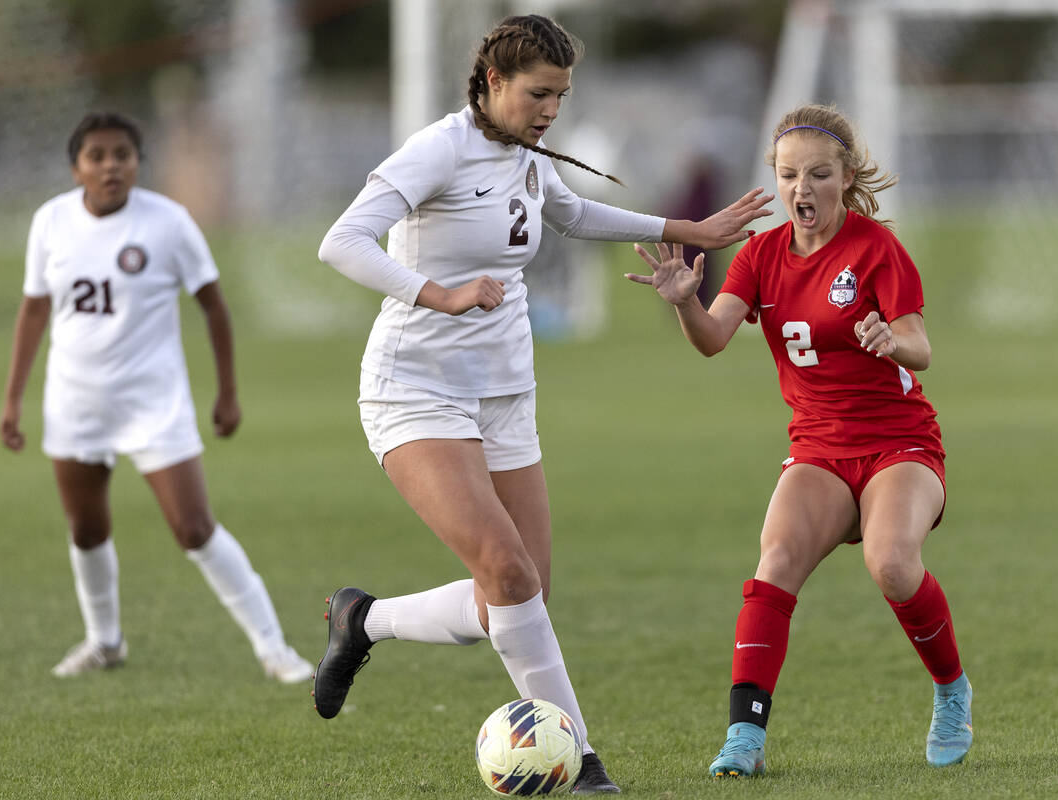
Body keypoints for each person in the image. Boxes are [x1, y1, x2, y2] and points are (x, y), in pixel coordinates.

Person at [314, 14, 772, 795]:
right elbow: (343, 242)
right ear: (492, 83)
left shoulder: (523, 152)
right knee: (507, 571)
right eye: (538, 93)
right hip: (416, 388)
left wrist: (684, 226)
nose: (550, 110)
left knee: (516, 598)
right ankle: (583, 760)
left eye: (560, 95)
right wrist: (438, 293)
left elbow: (567, 211)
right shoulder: (439, 147)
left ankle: (364, 620)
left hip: (507, 393)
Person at [627, 103, 973, 777]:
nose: (801, 189)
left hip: (898, 444)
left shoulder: (876, 248)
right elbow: (713, 341)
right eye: (789, 176)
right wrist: (684, 304)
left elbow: (921, 347)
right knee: (775, 561)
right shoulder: (759, 254)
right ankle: (744, 740)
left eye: (818, 174)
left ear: (845, 178)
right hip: (818, 448)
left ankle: (951, 690)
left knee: (894, 566)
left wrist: (889, 338)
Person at [0, 111, 314, 684]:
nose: (111, 165)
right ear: (76, 168)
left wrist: (228, 394)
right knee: (87, 529)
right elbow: (35, 308)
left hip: (155, 402)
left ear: (139, 163)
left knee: (193, 527)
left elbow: (213, 305)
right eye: (96, 156)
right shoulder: (50, 222)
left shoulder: (168, 223)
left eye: (123, 154)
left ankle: (275, 649)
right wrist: (12, 400)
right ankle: (105, 642)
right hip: (75, 401)